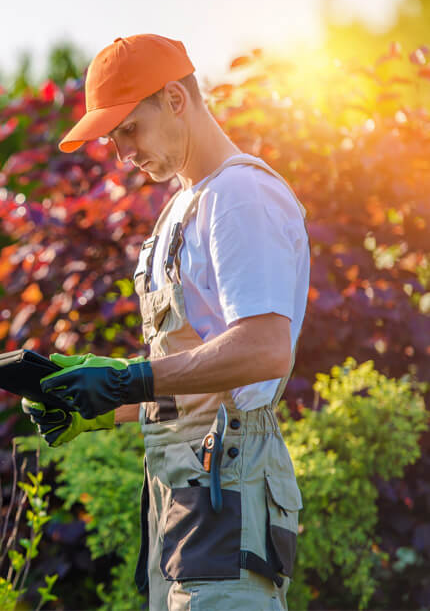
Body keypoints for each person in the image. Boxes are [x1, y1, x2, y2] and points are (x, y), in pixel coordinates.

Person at [21, 34, 309, 610]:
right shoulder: (184, 206)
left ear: (176, 100)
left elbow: (265, 349)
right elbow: (188, 377)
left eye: (129, 128)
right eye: (112, 138)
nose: (122, 153)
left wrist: (131, 378)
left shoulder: (240, 196)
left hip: (229, 495)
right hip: (181, 501)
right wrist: (98, 401)